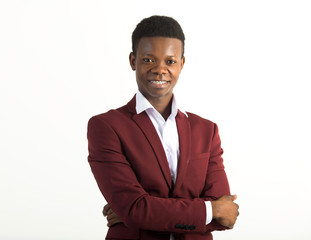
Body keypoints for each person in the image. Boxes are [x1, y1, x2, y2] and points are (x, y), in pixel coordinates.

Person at [87, 15, 239, 240]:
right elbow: (135, 209)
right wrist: (209, 210)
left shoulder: (207, 131)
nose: (160, 69)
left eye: (170, 61)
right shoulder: (106, 127)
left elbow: (226, 216)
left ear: (182, 64)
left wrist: (142, 213)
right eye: (148, 60)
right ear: (132, 61)